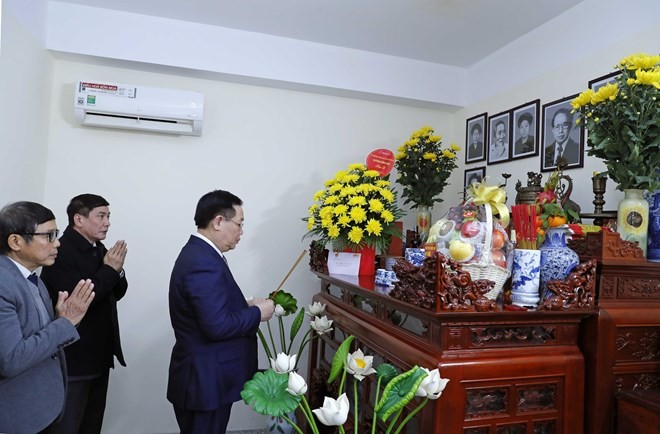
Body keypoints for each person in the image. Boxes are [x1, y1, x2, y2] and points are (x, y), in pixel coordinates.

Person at [168, 189, 275, 434]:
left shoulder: (202, 254)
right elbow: (216, 326)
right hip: (205, 381)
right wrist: (259, 312)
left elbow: (207, 310)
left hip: (207, 379)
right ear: (218, 221)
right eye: (239, 224)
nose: (241, 232)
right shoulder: (202, 262)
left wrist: (244, 305)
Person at [0, 201, 95, 434]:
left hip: (42, 406)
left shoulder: (33, 278)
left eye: (57, 234)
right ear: (16, 242)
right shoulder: (3, 284)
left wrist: (61, 319)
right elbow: (11, 359)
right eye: (49, 236)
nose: (58, 243)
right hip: (17, 416)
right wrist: (64, 323)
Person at [40, 194, 128, 434]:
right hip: (74, 358)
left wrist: (116, 271)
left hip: (99, 356)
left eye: (108, 216)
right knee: (68, 425)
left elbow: (118, 291)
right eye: (101, 216)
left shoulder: (99, 248)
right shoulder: (61, 252)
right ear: (78, 219)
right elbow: (79, 301)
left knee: (92, 423)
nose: (107, 222)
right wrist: (111, 269)